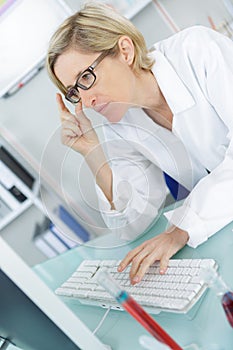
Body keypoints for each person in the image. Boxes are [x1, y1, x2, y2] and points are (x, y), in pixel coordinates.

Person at [46, 2, 233, 285]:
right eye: (74, 92)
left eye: (86, 77)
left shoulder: (197, 51)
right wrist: (93, 155)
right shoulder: (119, 123)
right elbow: (132, 224)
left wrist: (181, 230)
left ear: (125, 50)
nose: (86, 101)